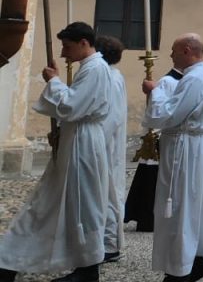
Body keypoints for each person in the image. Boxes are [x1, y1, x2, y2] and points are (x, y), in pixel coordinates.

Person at [0, 22, 112, 282]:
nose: (63, 53)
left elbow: (72, 106)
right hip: (76, 138)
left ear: (84, 42)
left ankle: (87, 267)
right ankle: (11, 259)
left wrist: (54, 81)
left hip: (82, 143)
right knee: (50, 202)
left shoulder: (95, 69)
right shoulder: (92, 68)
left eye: (67, 46)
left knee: (82, 203)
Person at [142, 33, 203, 282]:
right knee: (195, 202)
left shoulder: (194, 78)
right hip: (196, 145)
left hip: (184, 149)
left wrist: (154, 91)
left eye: (174, 50)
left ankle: (179, 269)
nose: (171, 55)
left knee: (180, 206)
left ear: (187, 50)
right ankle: (198, 257)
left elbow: (169, 115)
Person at [124, 62, 184, 232]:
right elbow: (159, 110)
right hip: (162, 134)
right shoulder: (168, 82)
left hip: (173, 135)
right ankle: (148, 218)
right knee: (152, 178)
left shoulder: (187, 80)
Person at [96, 35, 128, 264]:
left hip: (106, 144)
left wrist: (95, 141)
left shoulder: (112, 78)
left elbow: (112, 115)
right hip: (104, 142)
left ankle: (110, 243)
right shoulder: (109, 76)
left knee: (109, 192)